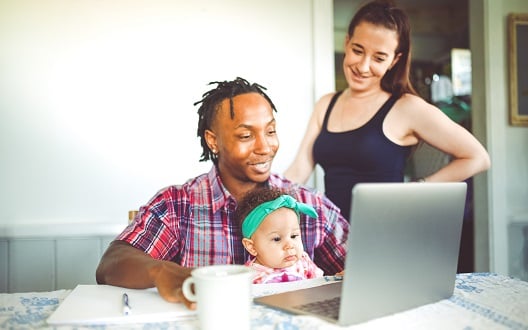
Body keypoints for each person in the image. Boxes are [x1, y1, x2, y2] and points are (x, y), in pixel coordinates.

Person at [95, 77, 349, 309]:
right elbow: (111, 263)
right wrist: (159, 272)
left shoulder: (307, 202)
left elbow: (362, 264)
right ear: (213, 141)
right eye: (246, 135)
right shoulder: (178, 205)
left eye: (270, 131)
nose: (265, 147)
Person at [284, 0, 490, 220]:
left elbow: (478, 157)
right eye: (357, 50)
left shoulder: (407, 107)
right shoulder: (326, 104)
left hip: (386, 231)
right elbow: (297, 173)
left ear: (394, 60)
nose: (363, 66)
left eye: (379, 58)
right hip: (332, 237)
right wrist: (260, 201)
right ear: (347, 43)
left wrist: (418, 189)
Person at [235, 187, 324, 284]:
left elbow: (319, 285)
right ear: (252, 247)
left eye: (294, 236)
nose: (289, 245)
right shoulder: (248, 277)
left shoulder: (304, 262)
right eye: (277, 239)